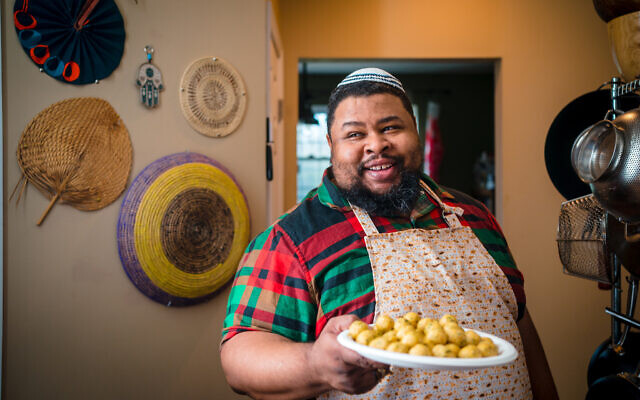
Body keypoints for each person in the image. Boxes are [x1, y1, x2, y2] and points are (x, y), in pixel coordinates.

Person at [220, 68, 558, 399]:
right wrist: (316, 365)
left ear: (416, 129)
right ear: (330, 145)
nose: (376, 145)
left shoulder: (474, 215)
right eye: (354, 134)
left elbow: (520, 323)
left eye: (391, 127)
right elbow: (240, 356)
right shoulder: (293, 236)